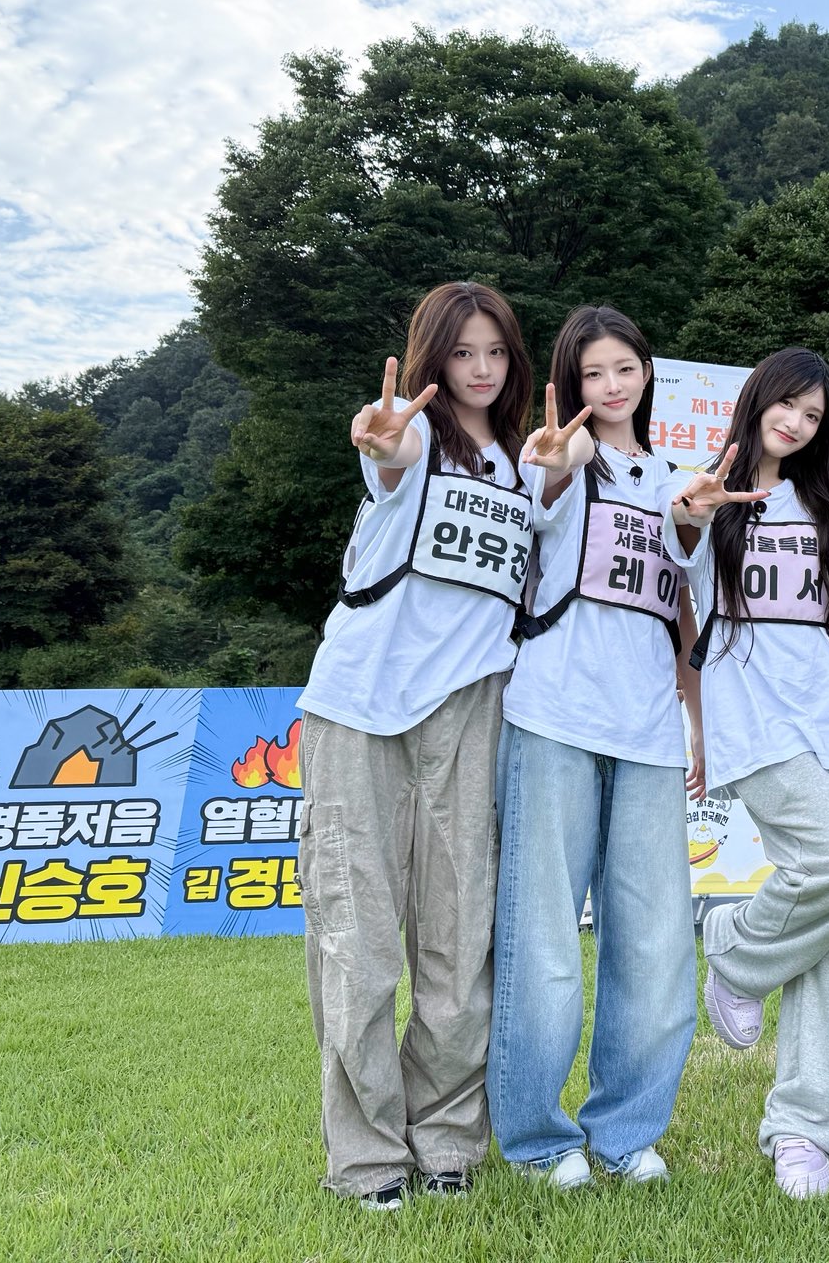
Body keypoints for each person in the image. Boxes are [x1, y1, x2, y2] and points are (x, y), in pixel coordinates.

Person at [295, 281, 535, 1211]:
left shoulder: (526, 464)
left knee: (460, 941)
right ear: (432, 359)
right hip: (361, 707)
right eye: (462, 353)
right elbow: (386, 451)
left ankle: (447, 1141)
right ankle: (366, 1159)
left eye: (497, 352)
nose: (481, 369)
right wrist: (382, 436)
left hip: (471, 709)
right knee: (358, 940)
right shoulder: (418, 436)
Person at [490, 306, 702, 1190]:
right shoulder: (564, 457)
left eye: (625, 369)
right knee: (543, 939)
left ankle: (624, 1133)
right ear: (570, 384)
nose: (611, 386)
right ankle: (539, 1141)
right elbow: (552, 475)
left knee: (654, 945)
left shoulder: (680, 481)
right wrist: (555, 459)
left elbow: (684, 613)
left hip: (649, 730)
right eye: (592, 373)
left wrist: (696, 722)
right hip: (554, 718)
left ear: (647, 374)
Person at [663, 347, 829, 1202]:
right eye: (786, 404)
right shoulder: (706, 492)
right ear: (756, 402)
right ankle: (736, 951)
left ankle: (803, 1132)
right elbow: (682, 583)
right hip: (755, 725)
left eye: (814, 415)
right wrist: (689, 514)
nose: (795, 422)